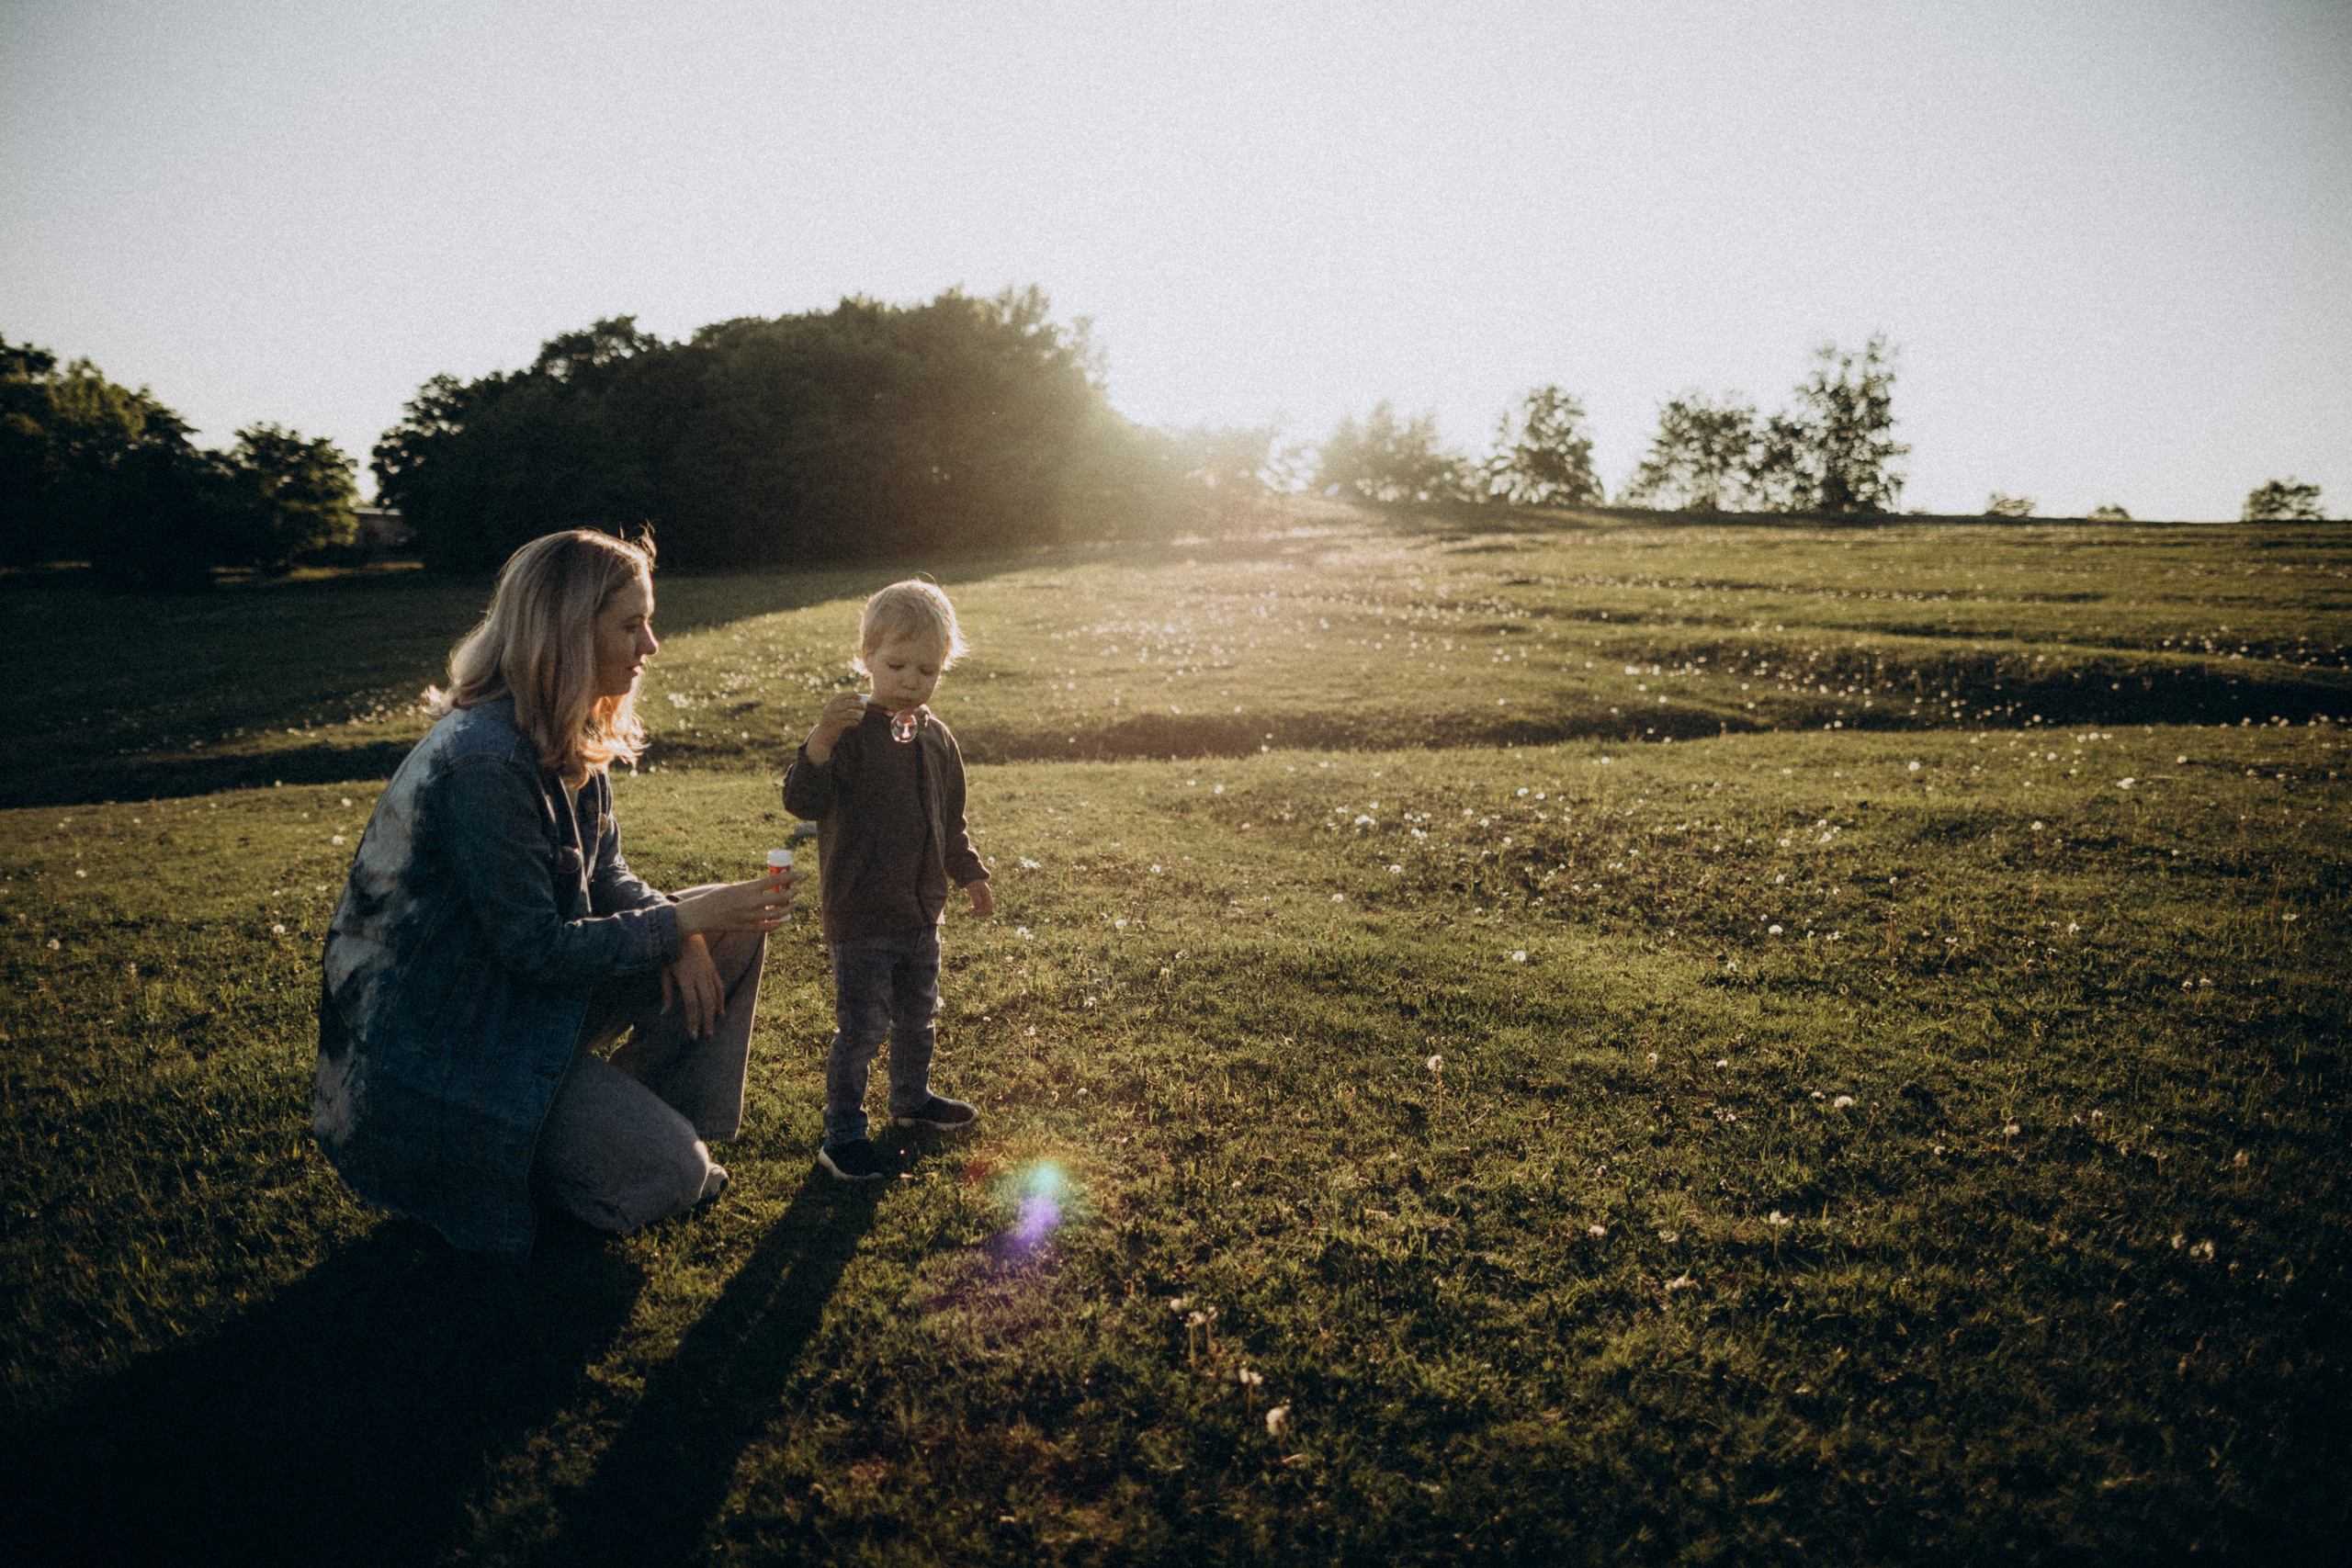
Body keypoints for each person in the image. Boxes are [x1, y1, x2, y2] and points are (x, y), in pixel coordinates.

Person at [312, 529, 796, 1259]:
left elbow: (609, 877)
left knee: (732, 928)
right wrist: (677, 920)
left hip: (513, 1013)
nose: (653, 644)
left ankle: (626, 1117)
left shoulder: (567, 736)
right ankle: (585, 1146)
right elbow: (535, 948)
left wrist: (689, 929)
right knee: (677, 1176)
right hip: (452, 1053)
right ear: (570, 630)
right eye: (632, 624)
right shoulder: (484, 763)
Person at [784, 580, 992, 1181]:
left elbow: (949, 821)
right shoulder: (849, 732)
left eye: (926, 669)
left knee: (917, 1015)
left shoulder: (937, 738)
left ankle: (911, 1100)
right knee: (862, 1028)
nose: (909, 680)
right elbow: (804, 800)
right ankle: (842, 1134)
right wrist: (819, 741)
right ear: (867, 658)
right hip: (861, 913)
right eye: (896, 664)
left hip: (921, 912)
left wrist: (970, 872)